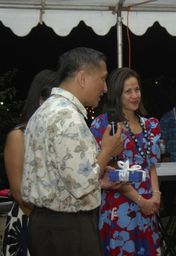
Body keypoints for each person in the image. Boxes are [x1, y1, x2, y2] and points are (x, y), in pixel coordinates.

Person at [21, 47, 123, 256]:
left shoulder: (45, 110)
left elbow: (58, 175)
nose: (105, 88)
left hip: (45, 223)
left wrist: (99, 181)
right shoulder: (67, 117)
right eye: (102, 79)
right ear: (83, 78)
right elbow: (81, 184)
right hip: (69, 229)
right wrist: (107, 151)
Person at [90, 67, 162, 256]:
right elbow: (109, 170)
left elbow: (150, 166)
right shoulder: (105, 125)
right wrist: (140, 201)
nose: (134, 95)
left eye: (136, 89)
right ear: (116, 94)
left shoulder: (151, 125)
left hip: (148, 206)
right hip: (119, 206)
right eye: (128, 91)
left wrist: (155, 195)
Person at [3, 69, 58, 256]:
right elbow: (18, 192)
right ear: (41, 100)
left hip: (57, 224)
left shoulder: (60, 135)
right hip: (28, 222)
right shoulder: (19, 136)